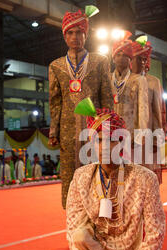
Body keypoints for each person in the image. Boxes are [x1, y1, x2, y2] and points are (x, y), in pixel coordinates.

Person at [67, 107, 165, 250]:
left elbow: (156, 224)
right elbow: (73, 222)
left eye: (111, 140)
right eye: (99, 140)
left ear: (121, 143)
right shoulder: (81, 176)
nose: (104, 146)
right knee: (78, 234)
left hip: (130, 240)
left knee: (146, 240)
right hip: (96, 239)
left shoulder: (145, 178)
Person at [48, 5, 114, 209]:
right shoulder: (56, 66)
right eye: (70, 32)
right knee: (68, 176)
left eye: (79, 32)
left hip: (94, 131)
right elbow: (55, 102)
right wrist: (54, 131)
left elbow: (107, 98)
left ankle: (97, 220)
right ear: (64, 36)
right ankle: (72, 219)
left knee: (96, 174)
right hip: (67, 133)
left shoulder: (99, 62)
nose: (75, 36)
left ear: (86, 35)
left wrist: (109, 130)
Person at [131, 38, 166, 184]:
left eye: (145, 59)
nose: (142, 63)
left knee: (147, 173)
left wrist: (157, 138)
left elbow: (159, 112)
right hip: (126, 136)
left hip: (147, 135)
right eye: (138, 59)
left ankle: (149, 204)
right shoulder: (123, 81)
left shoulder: (154, 82)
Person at [111, 33, 149, 149]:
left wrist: (141, 133)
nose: (121, 58)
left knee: (129, 165)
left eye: (125, 55)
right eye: (118, 55)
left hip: (130, 135)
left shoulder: (138, 79)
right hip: (109, 133)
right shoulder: (107, 79)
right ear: (113, 58)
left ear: (130, 59)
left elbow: (143, 109)